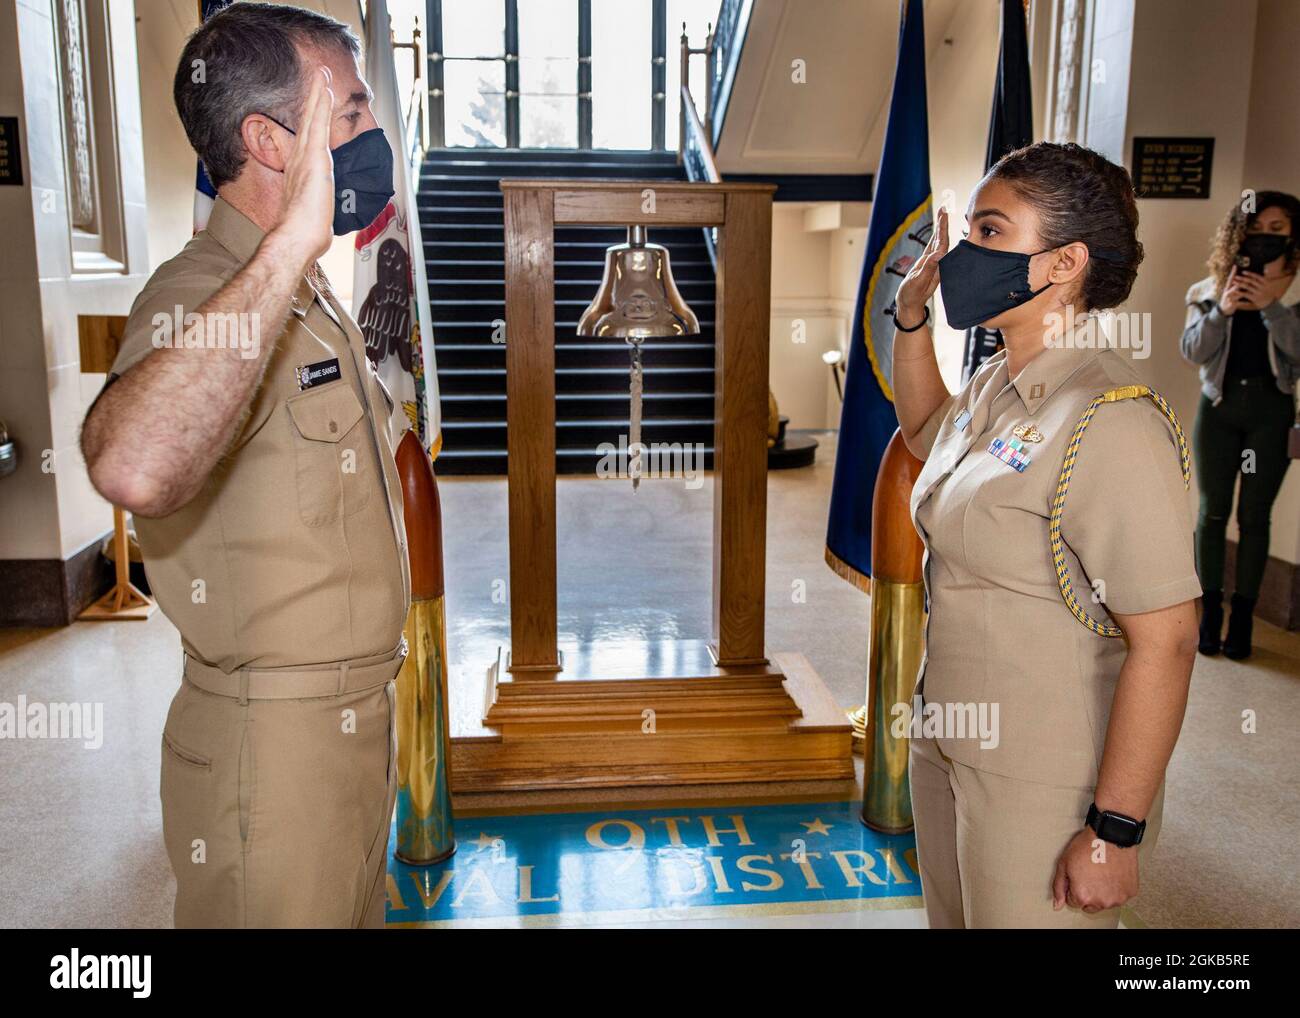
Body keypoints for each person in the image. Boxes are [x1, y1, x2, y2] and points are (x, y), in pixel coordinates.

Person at [81, 3, 409, 928]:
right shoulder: (204, 294)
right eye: (349, 113)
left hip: (352, 726)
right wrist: (293, 246)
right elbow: (135, 465)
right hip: (274, 750)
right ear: (269, 139)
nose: (372, 136)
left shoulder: (304, 294)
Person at [891, 142, 1200, 928]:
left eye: (990, 232)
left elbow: (1166, 640)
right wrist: (912, 316)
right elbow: (927, 433)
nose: (965, 253)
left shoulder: (1112, 418)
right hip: (947, 741)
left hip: (1043, 776)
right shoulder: (1000, 382)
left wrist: (1114, 831)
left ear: (1063, 263)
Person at [1181, 192, 1300, 660]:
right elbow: (1192, 351)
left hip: (1272, 412)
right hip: (1218, 410)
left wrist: (1271, 307)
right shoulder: (1207, 288)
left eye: (1278, 230)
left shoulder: (1296, 292)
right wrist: (1223, 309)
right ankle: (1210, 613)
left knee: (1254, 517)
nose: (1266, 238)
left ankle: (1244, 618)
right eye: (1257, 228)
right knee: (1211, 513)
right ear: (1239, 233)